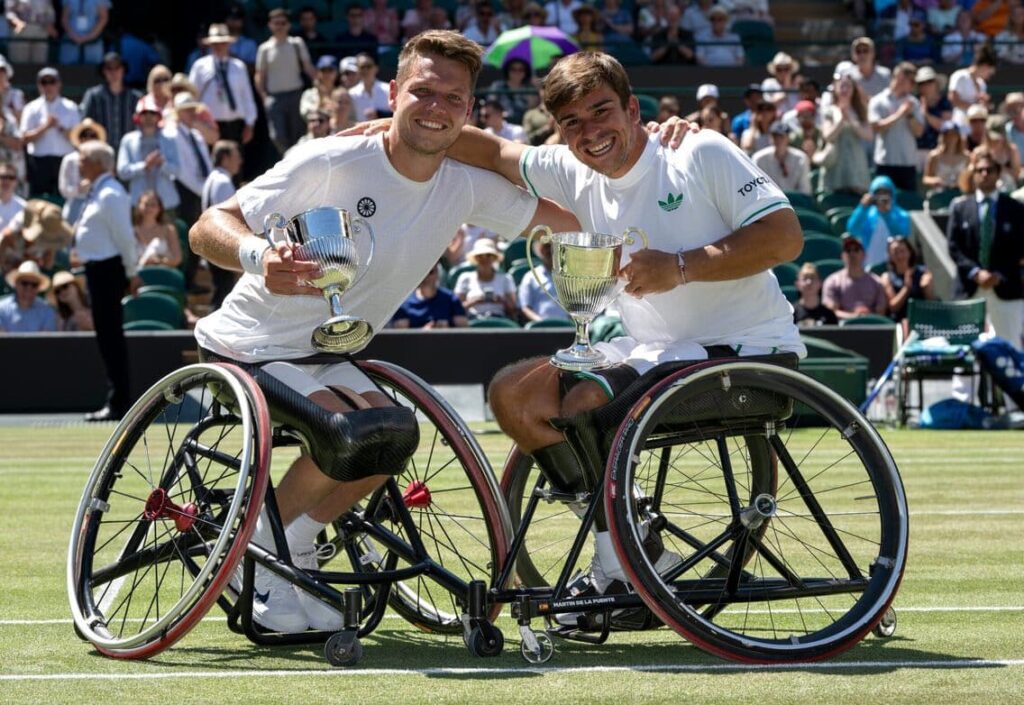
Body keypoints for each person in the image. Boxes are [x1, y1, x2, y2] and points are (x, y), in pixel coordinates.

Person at [187, 31, 579, 633]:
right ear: (393, 93)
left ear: (469, 111)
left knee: (394, 436)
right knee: (350, 429)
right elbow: (210, 225)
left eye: (453, 98)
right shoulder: (330, 159)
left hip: (324, 354)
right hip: (247, 347)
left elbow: (567, 219)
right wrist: (257, 255)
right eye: (422, 92)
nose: (435, 108)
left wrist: (641, 181)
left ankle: (289, 543)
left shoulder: (464, 184)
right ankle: (252, 554)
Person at [432, 50, 804, 604]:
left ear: (633, 109)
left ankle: (619, 564)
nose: (590, 131)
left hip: (749, 350)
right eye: (572, 122)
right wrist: (401, 129)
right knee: (513, 395)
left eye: (602, 111)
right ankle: (640, 546)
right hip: (655, 351)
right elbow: (494, 149)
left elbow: (784, 238)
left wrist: (680, 266)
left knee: (585, 400)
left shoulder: (697, 150)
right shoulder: (572, 168)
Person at [74, 140, 141, 421]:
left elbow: (125, 236)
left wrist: (132, 271)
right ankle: (117, 401)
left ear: (98, 162)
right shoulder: (99, 191)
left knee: (111, 338)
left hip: (108, 270)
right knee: (106, 337)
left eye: (83, 158)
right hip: (98, 270)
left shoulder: (111, 193)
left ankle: (119, 403)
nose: (79, 163)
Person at [947, 149, 1024, 350]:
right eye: (979, 170)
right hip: (969, 287)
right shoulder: (960, 207)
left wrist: (998, 274)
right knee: (963, 349)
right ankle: (965, 384)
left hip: (1006, 288)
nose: (984, 174)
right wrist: (975, 272)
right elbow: (954, 247)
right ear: (973, 174)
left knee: (1010, 349)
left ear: (998, 173)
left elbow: (1020, 247)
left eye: (989, 170)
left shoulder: (1015, 208)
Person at [256, 8, 316, 156]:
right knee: (277, 136)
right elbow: (259, 75)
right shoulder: (264, 48)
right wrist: (264, 97)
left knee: (298, 135)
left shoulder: (297, 43)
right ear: (270, 25)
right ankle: (288, 159)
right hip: (275, 98)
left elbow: (308, 67)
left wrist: (319, 86)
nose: (279, 26)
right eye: (276, 23)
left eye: (283, 23)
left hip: (296, 95)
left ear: (288, 25)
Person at [188, 24, 257, 147]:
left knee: (234, 162)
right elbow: (192, 97)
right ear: (210, 45)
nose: (219, 47)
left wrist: (250, 123)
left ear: (229, 44)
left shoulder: (239, 66)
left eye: (223, 43)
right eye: (215, 44)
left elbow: (247, 97)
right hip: (209, 124)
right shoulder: (200, 66)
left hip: (235, 124)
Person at [19, 68, 81, 198]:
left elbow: (77, 138)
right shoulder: (31, 108)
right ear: (39, 85)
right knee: (39, 199)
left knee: (65, 197)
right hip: (38, 162)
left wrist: (60, 128)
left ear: (59, 84)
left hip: (64, 160)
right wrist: (45, 126)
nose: (48, 86)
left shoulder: (71, 107)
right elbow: (24, 138)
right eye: (44, 82)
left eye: (52, 81)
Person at [117, 97, 181, 214]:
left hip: (166, 203)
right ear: (138, 117)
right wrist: (144, 166)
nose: (148, 117)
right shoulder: (128, 140)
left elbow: (177, 170)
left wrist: (162, 164)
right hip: (138, 204)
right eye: (144, 113)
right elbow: (122, 171)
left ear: (158, 117)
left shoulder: (169, 140)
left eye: (152, 113)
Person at [868, 61, 925, 192]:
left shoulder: (913, 103)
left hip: (907, 164)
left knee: (909, 205)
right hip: (885, 163)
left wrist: (909, 115)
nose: (913, 85)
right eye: (910, 80)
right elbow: (876, 127)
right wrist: (900, 114)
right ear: (900, 77)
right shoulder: (878, 101)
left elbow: (919, 132)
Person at [201, 140, 243, 310]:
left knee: (222, 289)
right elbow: (227, 218)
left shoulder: (213, 178)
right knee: (224, 293)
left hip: (211, 242)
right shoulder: (223, 181)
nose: (239, 161)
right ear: (225, 158)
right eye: (236, 156)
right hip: (220, 243)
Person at [164, 92, 213, 229]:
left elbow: (207, 165)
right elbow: (182, 172)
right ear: (178, 113)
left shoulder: (196, 135)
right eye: (187, 110)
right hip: (185, 191)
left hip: (201, 190)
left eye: (193, 109)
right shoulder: (172, 135)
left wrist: (208, 188)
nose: (192, 113)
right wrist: (204, 191)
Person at [80, 52, 143, 152]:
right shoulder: (93, 95)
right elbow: (85, 123)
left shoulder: (135, 97)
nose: (114, 72)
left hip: (130, 151)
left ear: (123, 70)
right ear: (104, 71)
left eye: (117, 68)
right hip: (100, 151)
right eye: (109, 68)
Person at [846, 175, 912, 269]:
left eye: (886, 192)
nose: (882, 197)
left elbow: (901, 236)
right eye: (878, 193)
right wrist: (862, 208)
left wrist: (887, 215)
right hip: (868, 266)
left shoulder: (902, 215)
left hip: (894, 267)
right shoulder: (866, 214)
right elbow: (852, 229)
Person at [822, 235, 888, 321]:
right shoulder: (832, 281)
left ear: (864, 255)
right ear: (842, 256)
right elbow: (831, 312)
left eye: (856, 249)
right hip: (842, 330)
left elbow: (880, 312)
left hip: (871, 328)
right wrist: (856, 317)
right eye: (848, 250)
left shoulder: (876, 282)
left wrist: (865, 318)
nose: (852, 254)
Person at [454, 238, 518, 319]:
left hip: (499, 320)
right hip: (473, 321)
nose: (484, 259)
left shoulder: (506, 279)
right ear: (476, 258)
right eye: (480, 256)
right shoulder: (465, 278)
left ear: (494, 258)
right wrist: (474, 301)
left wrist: (501, 301)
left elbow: (514, 311)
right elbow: (456, 309)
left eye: (488, 255)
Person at [59, 118, 106, 224]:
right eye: (85, 135)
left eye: (92, 136)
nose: (88, 139)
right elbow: (63, 189)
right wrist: (78, 189)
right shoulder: (69, 159)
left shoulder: (102, 161)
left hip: (97, 206)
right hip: (74, 206)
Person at [391, 263, 468, 328]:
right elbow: (401, 337)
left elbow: (462, 329)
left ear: (438, 274)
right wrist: (424, 333)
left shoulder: (450, 298)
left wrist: (446, 329)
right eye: (422, 272)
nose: (426, 276)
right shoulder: (404, 302)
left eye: (431, 272)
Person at [880, 235, 934, 324]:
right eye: (895, 252)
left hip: (921, 321)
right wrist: (906, 288)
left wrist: (927, 289)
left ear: (909, 252)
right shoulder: (887, 277)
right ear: (890, 255)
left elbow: (931, 303)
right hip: (898, 323)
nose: (900, 256)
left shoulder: (923, 273)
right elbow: (893, 307)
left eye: (902, 251)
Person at [518, 238, 569, 323]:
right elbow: (525, 308)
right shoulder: (530, 276)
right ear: (541, 251)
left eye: (555, 247)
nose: (550, 250)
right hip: (540, 329)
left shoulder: (571, 277)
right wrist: (541, 323)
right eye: (547, 247)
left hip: (568, 327)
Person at [752, 121, 810, 194]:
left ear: (788, 138)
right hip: (770, 201)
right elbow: (758, 188)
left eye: (782, 136)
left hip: (795, 202)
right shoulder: (759, 159)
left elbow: (804, 190)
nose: (778, 140)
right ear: (770, 138)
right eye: (775, 136)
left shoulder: (801, 158)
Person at [948, 44, 997, 128]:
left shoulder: (982, 84)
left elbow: (981, 105)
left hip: (976, 127)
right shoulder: (960, 76)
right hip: (960, 124)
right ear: (984, 66)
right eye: (989, 73)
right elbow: (953, 99)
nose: (989, 76)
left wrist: (984, 104)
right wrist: (975, 107)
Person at [0, 260, 56, 332]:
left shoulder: (47, 311)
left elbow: (45, 340)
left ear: (38, 288)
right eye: (24, 283)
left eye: (34, 285)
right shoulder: (2, 309)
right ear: (16, 284)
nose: (29, 288)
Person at [915, 66, 953, 166]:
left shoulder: (945, 103)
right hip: (916, 150)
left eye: (929, 81)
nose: (926, 85)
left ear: (936, 83)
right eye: (922, 83)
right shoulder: (914, 102)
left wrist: (926, 115)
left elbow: (944, 127)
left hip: (938, 151)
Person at [134, 190, 181, 269]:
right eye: (146, 204)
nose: (149, 208)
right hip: (138, 275)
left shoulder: (169, 229)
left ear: (160, 208)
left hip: (164, 274)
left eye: (153, 205)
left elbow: (177, 259)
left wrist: (158, 261)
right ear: (139, 206)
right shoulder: (132, 231)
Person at [923, 120, 969, 192]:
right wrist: (936, 181)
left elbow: (970, 178)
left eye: (954, 134)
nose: (951, 138)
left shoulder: (966, 157)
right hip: (939, 195)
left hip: (959, 193)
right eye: (948, 134)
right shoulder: (934, 156)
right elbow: (926, 179)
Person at [58, 0, 109, 65]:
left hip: (93, 41)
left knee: (92, 68)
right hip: (71, 40)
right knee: (68, 67)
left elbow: (103, 18)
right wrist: (73, 36)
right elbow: (64, 19)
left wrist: (90, 36)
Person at [4, 0, 55, 65]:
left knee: (39, 64)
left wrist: (50, 25)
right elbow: (9, 12)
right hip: (21, 31)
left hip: (41, 31)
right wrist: (17, 22)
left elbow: (50, 14)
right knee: (19, 63)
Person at [486, 59, 534, 126]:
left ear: (526, 72)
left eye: (521, 69)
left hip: (523, 125)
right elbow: (490, 104)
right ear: (507, 70)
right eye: (513, 69)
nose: (517, 72)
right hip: (500, 124)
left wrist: (535, 86)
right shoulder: (498, 86)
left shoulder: (529, 89)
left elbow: (532, 109)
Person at [349, 53, 392, 121]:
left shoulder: (388, 89)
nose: (365, 70)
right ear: (357, 70)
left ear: (376, 68)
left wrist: (379, 114)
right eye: (362, 67)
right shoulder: (351, 94)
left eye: (368, 66)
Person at [792, 262, 837, 327]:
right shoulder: (791, 313)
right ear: (797, 284)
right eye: (805, 278)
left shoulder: (829, 315)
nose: (809, 282)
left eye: (812, 278)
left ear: (820, 283)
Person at [300, 54, 339, 120]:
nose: (327, 74)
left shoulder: (343, 94)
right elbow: (307, 115)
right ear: (318, 72)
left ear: (337, 73)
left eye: (330, 70)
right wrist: (321, 98)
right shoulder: (308, 94)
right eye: (323, 70)